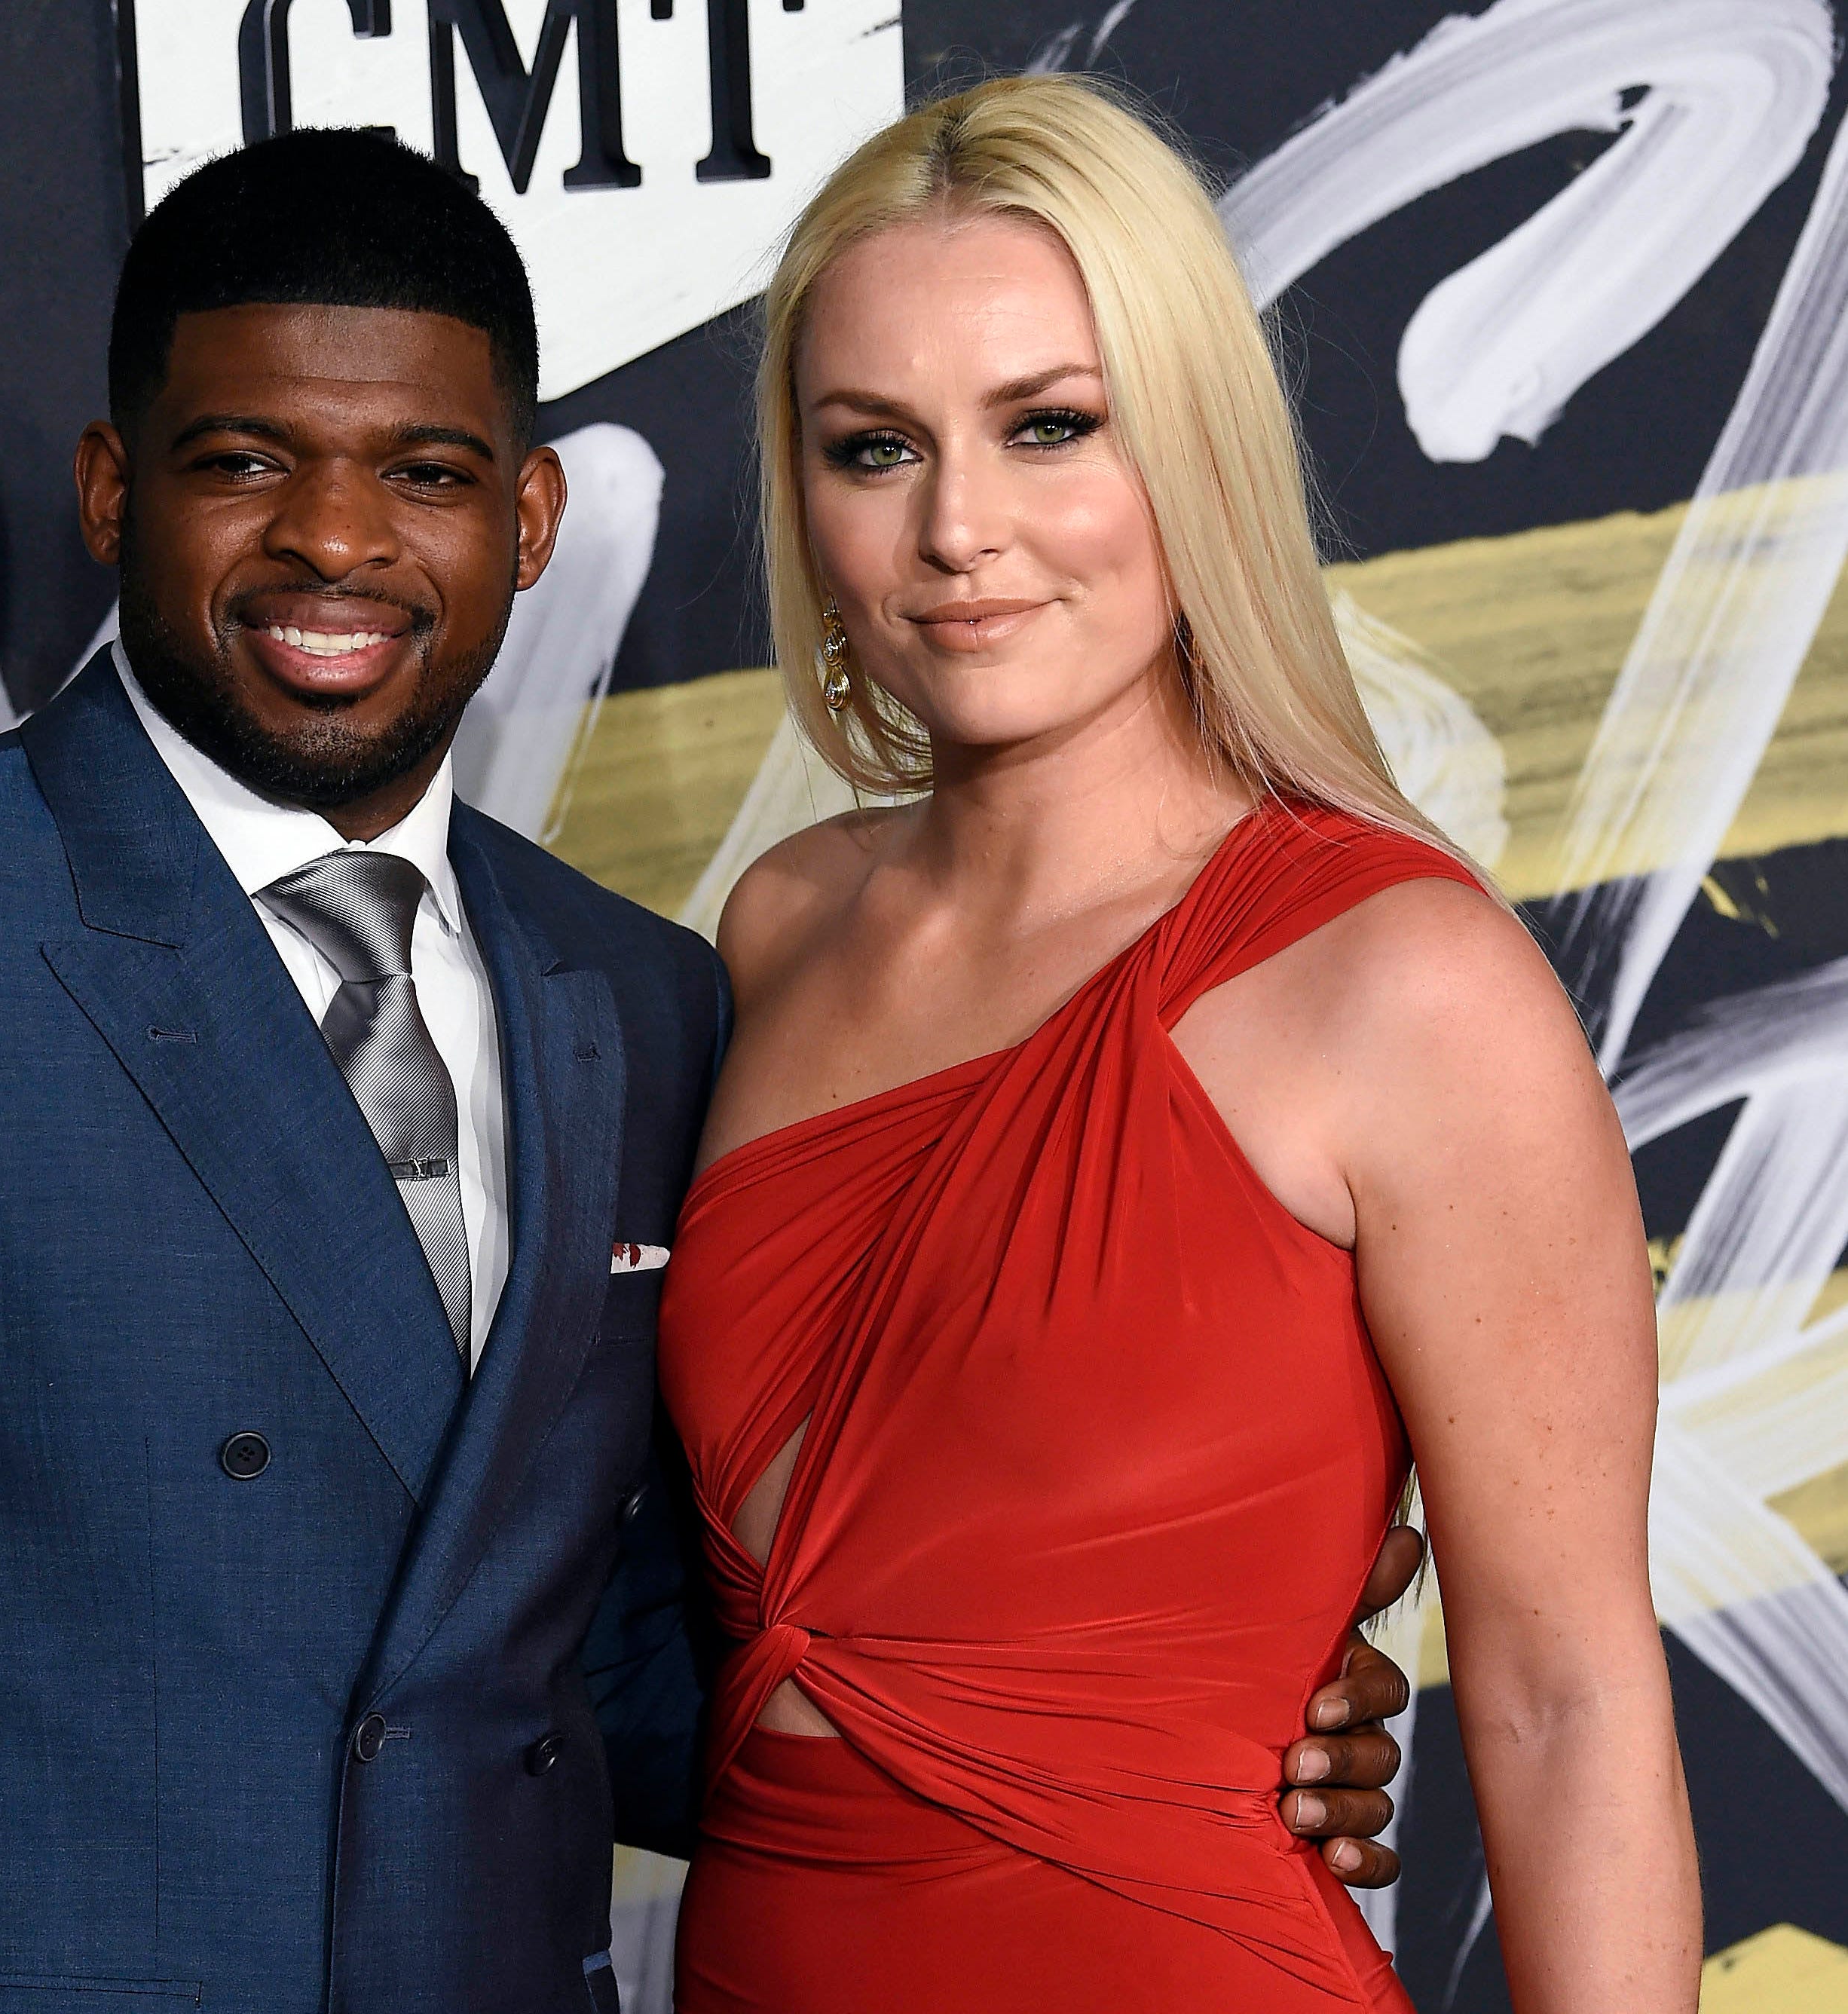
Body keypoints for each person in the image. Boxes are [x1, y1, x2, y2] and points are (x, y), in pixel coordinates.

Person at [0, 129, 1414, 2014]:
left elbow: (603, 1666)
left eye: (423, 473)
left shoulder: (637, 992)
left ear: (528, 521)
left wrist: (1178, 1719)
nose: (336, 540)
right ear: (109, 492)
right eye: (244, 461)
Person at [659, 75, 1700, 2014]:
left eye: (1051, 426)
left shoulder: (1403, 981)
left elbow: (1568, 1707)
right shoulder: (782, 929)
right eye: (874, 447)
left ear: (1196, 441)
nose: (961, 528)